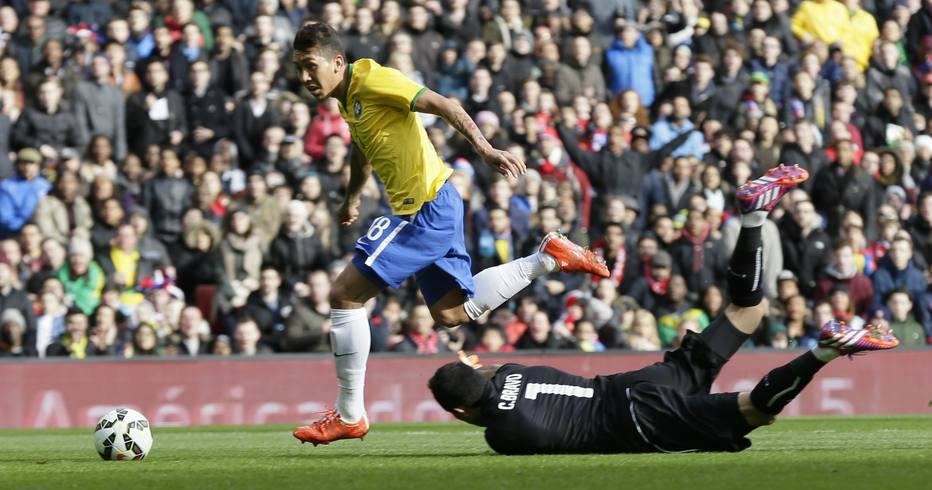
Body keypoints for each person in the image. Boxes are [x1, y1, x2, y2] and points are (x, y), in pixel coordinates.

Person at [428, 166, 900, 454]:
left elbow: (490, 410)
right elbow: (485, 377)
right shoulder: (509, 370)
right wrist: (468, 362)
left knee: (753, 411)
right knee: (746, 313)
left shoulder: (501, 435)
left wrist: (470, 400)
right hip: (632, 384)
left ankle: (828, 349)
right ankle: (753, 217)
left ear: (461, 410)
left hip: (634, 420)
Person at [290, 23, 609, 446]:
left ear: (336, 62)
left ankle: (350, 414)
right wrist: (351, 198)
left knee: (344, 296)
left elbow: (444, 104)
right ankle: (548, 257)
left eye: (310, 67)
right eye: (299, 69)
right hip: (435, 204)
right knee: (452, 314)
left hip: (424, 209)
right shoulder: (348, 97)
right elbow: (363, 147)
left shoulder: (374, 78)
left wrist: (486, 149)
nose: (305, 78)